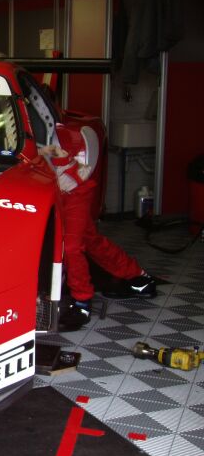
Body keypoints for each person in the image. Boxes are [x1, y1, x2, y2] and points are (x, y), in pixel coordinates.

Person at [39, 125, 156, 330]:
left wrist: (44, 151)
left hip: (75, 192)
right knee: (90, 241)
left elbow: (61, 152)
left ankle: (82, 303)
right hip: (62, 190)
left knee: (72, 247)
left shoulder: (50, 126)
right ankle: (138, 276)